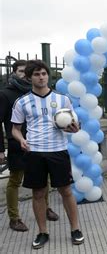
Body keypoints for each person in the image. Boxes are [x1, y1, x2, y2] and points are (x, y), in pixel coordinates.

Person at [11, 60, 84, 249]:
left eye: (43, 73)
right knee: (38, 193)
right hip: (34, 152)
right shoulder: (22, 102)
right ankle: (43, 232)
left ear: (48, 75)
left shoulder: (63, 99)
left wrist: (75, 128)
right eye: (36, 74)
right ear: (29, 78)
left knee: (66, 191)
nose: (41, 77)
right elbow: (15, 129)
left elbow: (74, 124)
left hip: (58, 151)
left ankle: (75, 229)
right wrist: (21, 139)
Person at [0, 60, 59, 232]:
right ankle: (14, 218)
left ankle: (46, 208)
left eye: (27, 71)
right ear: (14, 72)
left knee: (44, 179)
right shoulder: (6, 94)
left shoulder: (39, 93)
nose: (24, 74)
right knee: (15, 180)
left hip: (40, 145)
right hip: (16, 144)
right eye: (20, 71)